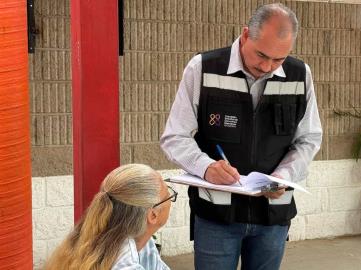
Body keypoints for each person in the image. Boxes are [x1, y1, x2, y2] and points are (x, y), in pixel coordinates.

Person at [160, 3, 322, 270]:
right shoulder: (203, 68)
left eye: (278, 59)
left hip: (273, 216)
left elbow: (309, 139)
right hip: (217, 217)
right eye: (261, 55)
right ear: (245, 35)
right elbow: (175, 136)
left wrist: (284, 176)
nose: (268, 66)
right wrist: (207, 167)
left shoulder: (300, 75)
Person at [44, 164, 176, 270]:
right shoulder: (125, 262)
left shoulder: (139, 241)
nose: (170, 199)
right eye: (168, 196)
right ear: (153, 215)